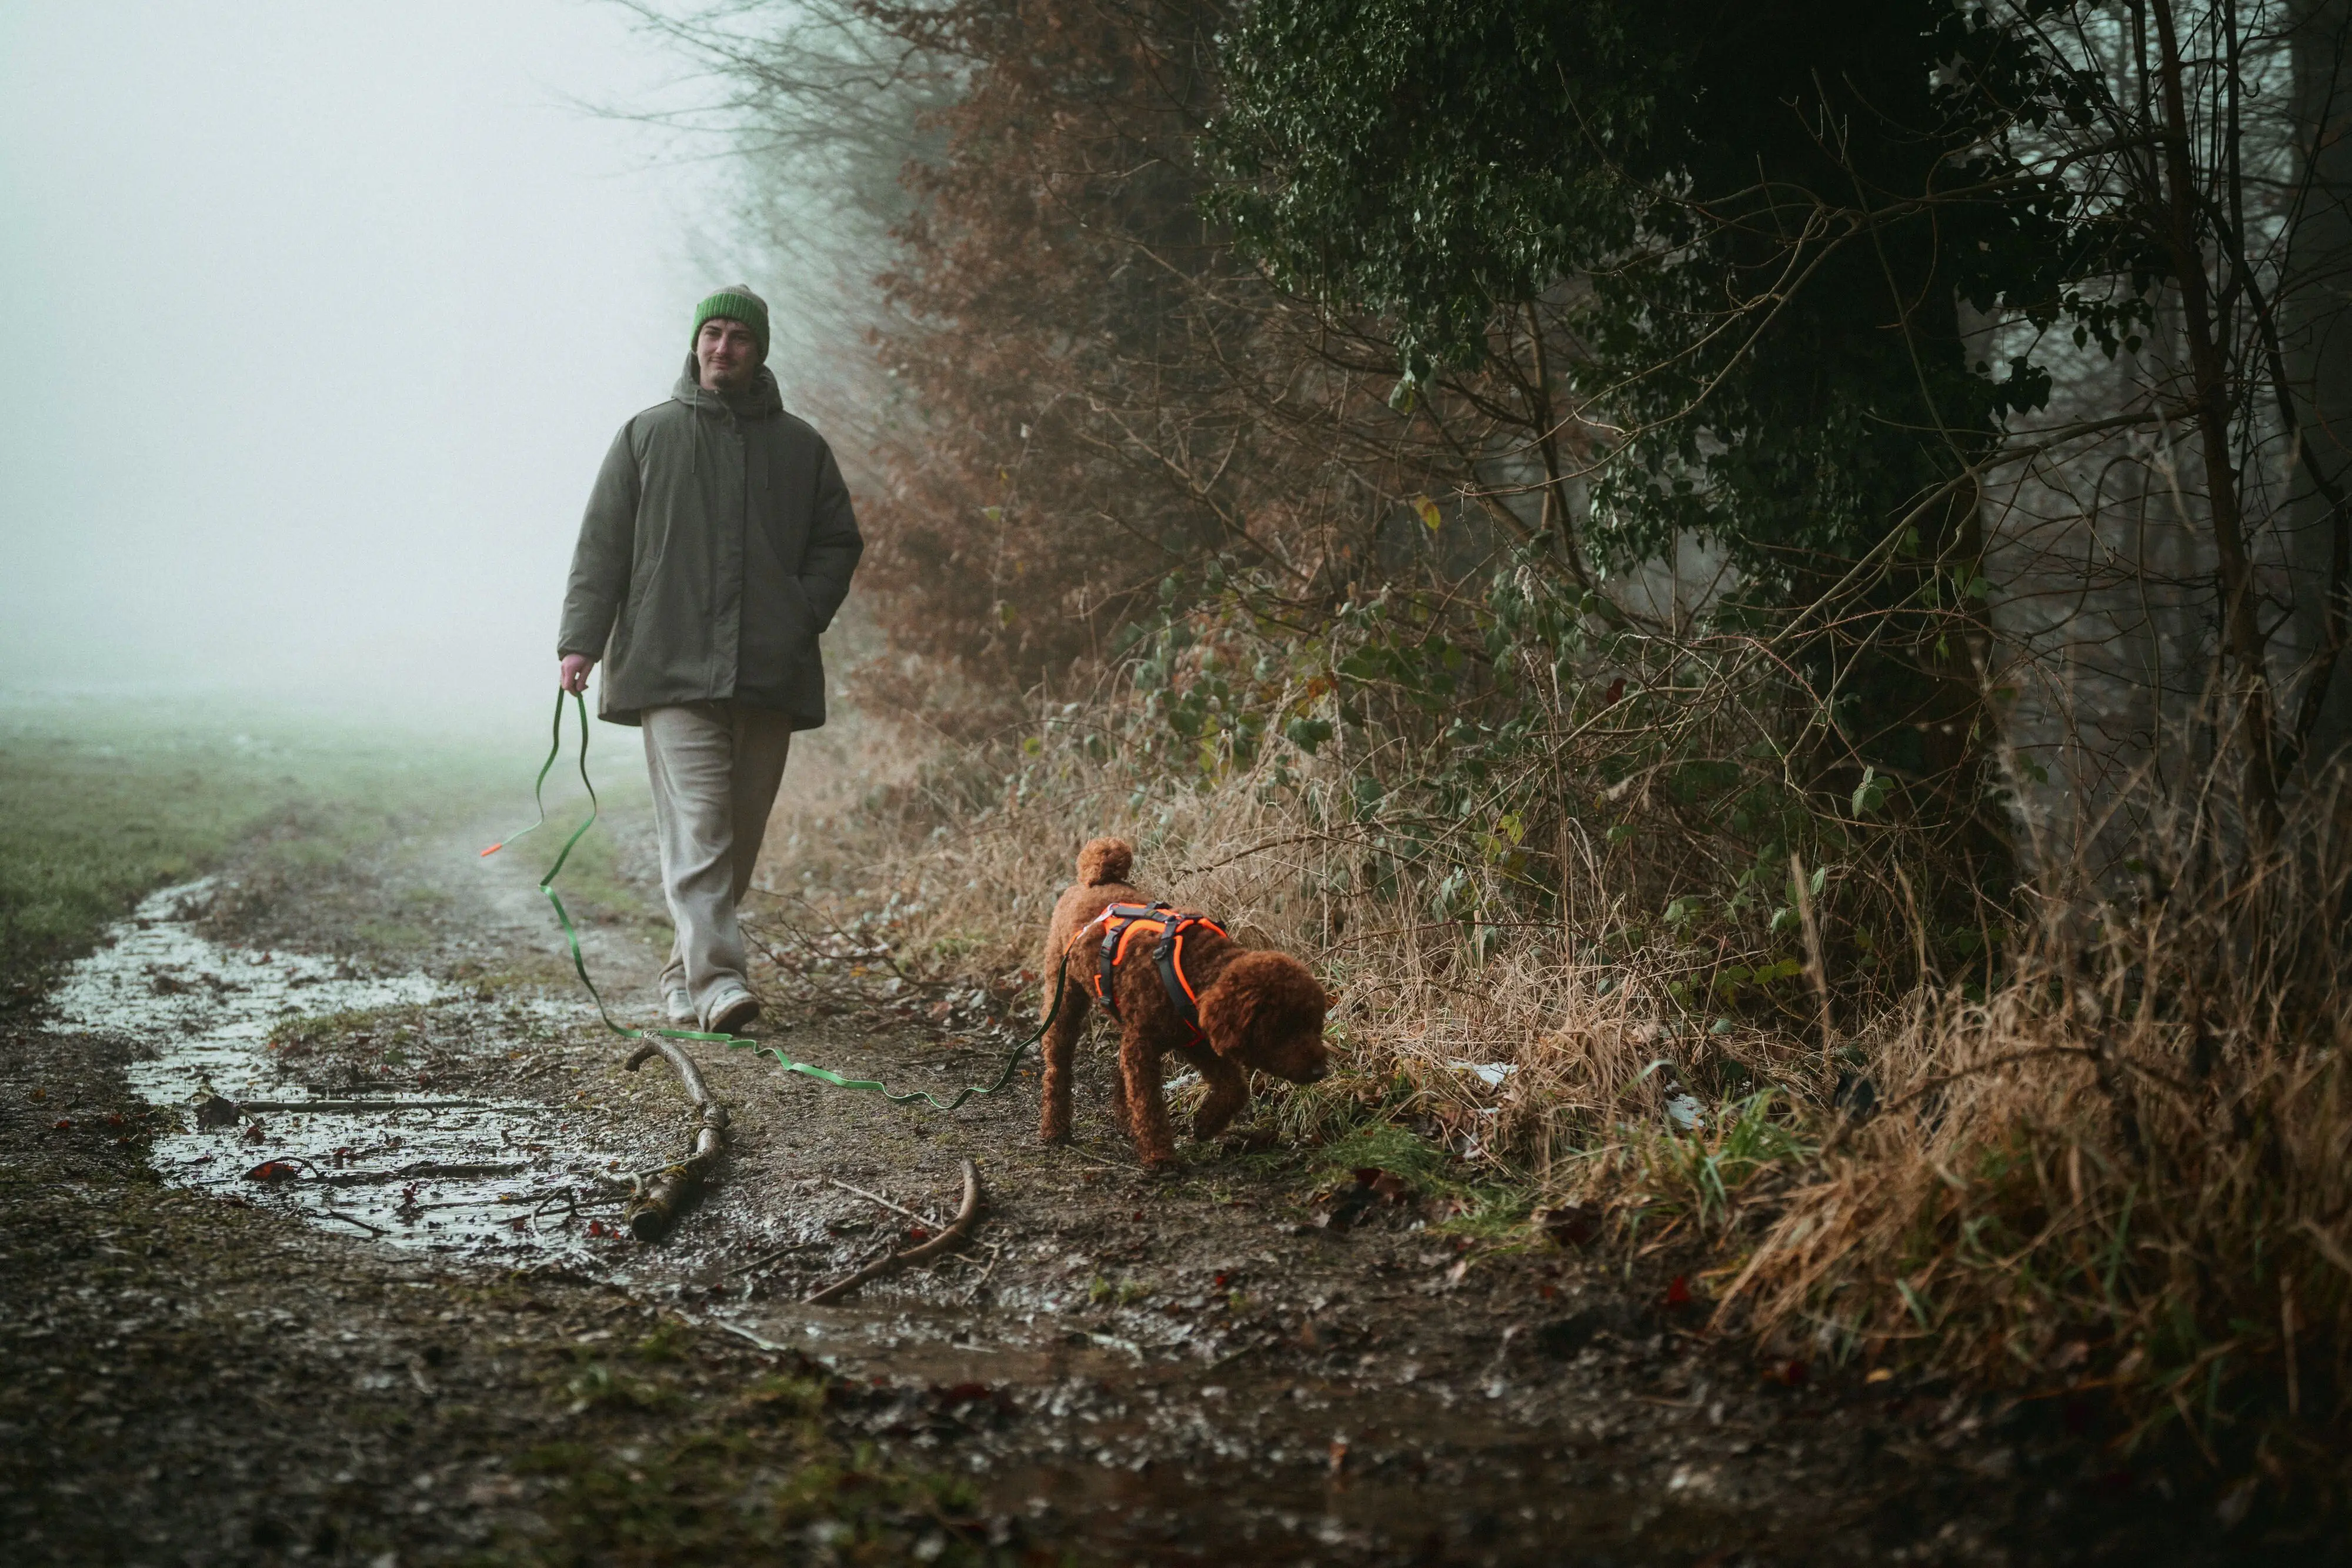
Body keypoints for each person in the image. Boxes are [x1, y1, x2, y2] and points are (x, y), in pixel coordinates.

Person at [556, 285, 862, 1036]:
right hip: (670, 663)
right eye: (713, 334)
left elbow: (838, 543)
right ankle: (721, 981)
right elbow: (603, 545)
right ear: (695, 343)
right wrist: (580, 641)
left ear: (759, 353)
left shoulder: (802, 447)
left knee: (739, 835)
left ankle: (681, 976)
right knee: (700, 825)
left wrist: (798, 612)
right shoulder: (646, 435)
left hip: (768, 668)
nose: (723, 348)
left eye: (739, 339)